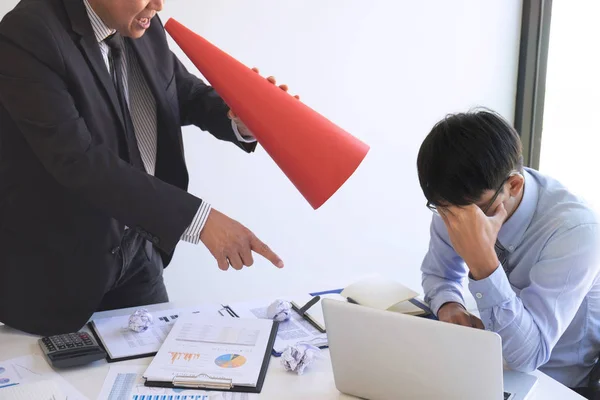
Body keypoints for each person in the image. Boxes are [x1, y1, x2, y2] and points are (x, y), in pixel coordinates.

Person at [0, 0, 293, 336]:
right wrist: (200, 220)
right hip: (60, 269)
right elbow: (79, 160)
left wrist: (245, 119)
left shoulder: (140, 22)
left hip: (139, 254)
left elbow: (183, 95)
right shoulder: (28, 33)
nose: (159, 4)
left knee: (151, 376)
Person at [417, 109, 600, 394]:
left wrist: (484, 264)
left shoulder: (575, 231)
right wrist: (449, 306)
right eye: (443, 210)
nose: (455, 221)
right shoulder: (456, 201)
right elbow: (437, 274)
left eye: (468, 211)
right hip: (485, 360)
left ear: (513, 185)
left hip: (554, 380)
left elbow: (529, 356)